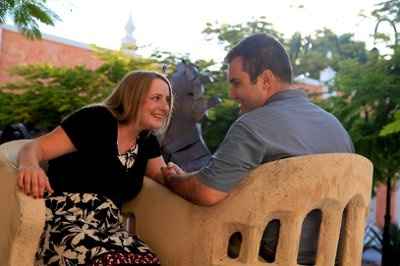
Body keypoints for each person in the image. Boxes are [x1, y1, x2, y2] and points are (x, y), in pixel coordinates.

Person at [163, 33, 354, 265]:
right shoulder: (337, 128)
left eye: (236, 83)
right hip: (331, 258)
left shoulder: (252, 126)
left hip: (264, 257)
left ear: (265, 80)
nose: (232, 94)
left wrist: (174, 179)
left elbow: (207, 192)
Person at [17, 70, 180, 265]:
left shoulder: (147, 141)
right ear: (133, 97)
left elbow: (163, 176)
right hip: (65, 223)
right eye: (156, 98)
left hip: (108, 230)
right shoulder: (95, 119)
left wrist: (177, 175)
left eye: (167, 100)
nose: (165, 107)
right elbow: (35, 147)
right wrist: (30, 165)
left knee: (148, 261)